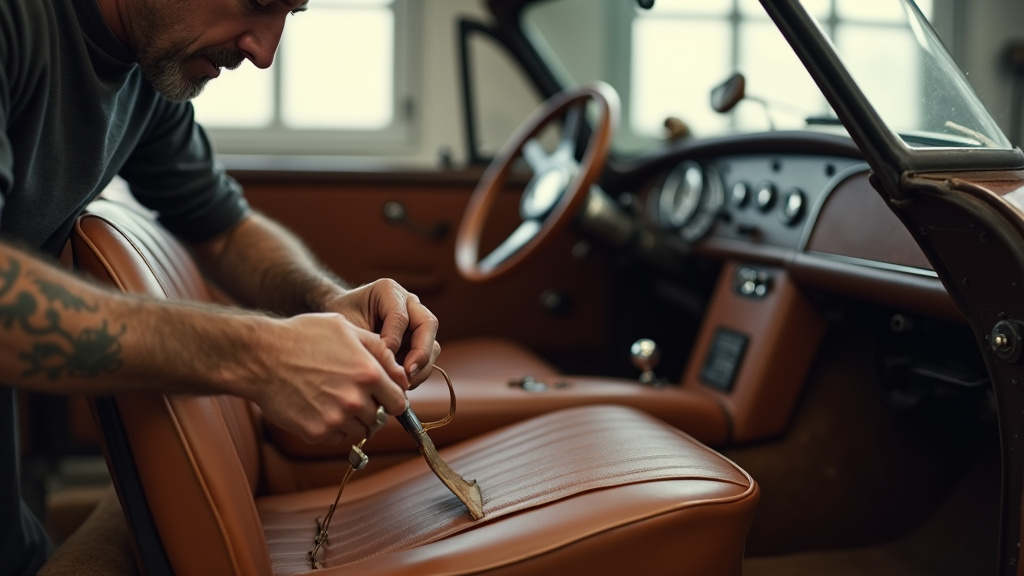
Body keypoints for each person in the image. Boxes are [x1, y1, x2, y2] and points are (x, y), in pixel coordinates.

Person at [0, 0, 441, 574]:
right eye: (258, 4)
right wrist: (261, 354)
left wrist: (327, 299)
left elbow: (225, 231)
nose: (263, 53)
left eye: (291, 13)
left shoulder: (147, 67)